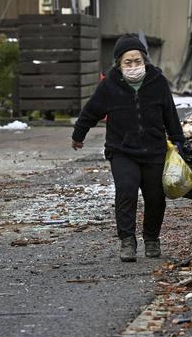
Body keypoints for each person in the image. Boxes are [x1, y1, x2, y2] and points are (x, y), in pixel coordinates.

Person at [71, 35, 186, 261]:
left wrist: (180, 141)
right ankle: (127, 241)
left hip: (154, 151)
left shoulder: (158, 82)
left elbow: (170, 115)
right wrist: (78, 135)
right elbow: (91, 111)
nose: (133, 66)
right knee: (126, 191)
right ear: (119, 64)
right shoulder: (109, 85)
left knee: (155, 198)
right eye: (128, 62)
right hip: (122, 151)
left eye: (137, 61)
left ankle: (152, 239)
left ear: (144, 61)